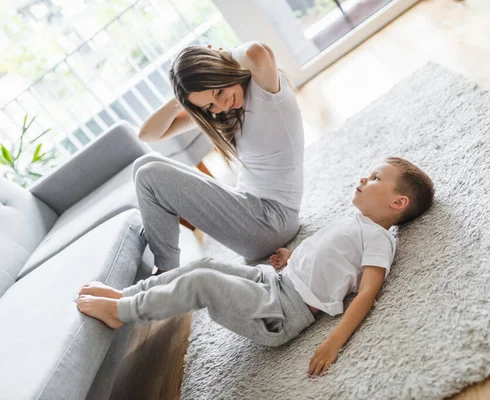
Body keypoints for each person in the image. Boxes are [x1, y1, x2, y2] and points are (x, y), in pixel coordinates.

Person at [77, 157, 435, 377]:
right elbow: (336, 264)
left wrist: (334, 342)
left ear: (397, 202)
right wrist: (293, 259)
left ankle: (123, 310)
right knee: (205, 262)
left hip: (282, 312)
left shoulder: (379, 239)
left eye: (374, 178)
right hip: (276, 281)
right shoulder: (356, 222)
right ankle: (127, 293)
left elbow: (368, 292)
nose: (362, 178)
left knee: (203, 281)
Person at [134, 41, 305, 273]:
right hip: (252, 211)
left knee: (149, 174)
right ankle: (167, 273)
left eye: (218, 91)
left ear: (222, 69)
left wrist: (221, 56)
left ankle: (166, 273)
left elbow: (257, 53)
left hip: (272, 222)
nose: (221, 104)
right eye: (209, 105)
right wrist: (183, 96)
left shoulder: (266, 89)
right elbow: (148, 134)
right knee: (143, 165)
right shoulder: (224, 110)